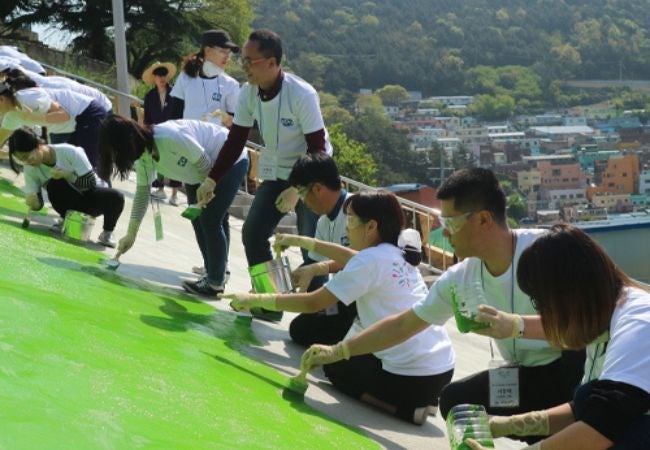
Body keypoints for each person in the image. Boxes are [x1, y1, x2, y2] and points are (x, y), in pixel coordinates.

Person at [299, 168, 585, 441]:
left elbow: (589, 321)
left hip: (575, 372)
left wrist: (516, 326)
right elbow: (403, 324)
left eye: (450, 223)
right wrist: (338, 350)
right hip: (523, 374)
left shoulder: (547, 249)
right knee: (456, 402)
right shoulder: (458, 277)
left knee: (579, 365)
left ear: (484, 219)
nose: (444, 234)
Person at [222, 190, 455, 425]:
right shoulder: (396, 253)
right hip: (441, 370)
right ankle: (424, 399)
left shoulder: (370, 260)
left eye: (351, 220)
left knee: (334, 368)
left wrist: (254, 299)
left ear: (371, 226)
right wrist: (300, 241)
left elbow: (312, 302)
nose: (346, 227)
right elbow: (350, 256)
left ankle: (406, 411)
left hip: (412, 376)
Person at [465, 224, 650, 450]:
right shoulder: (604, 316)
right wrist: (505, 425)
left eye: (540, 301)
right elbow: (582, 409)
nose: (540, 312)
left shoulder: (639, 323)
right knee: (587, 395)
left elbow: (601, 427)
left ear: (568, 295)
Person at [195, 29, 332, 320]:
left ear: (271, 62)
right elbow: (235, 141)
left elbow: (317, 148)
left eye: (249, 61)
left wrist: (299, 188)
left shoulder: (301, 94)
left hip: (313, 174)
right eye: (242, 60)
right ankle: (272, 303)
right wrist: (212, 179)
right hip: (278, 171)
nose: (243, 66)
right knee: (254, 233)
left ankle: (320, 315)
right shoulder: (248, 92)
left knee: (311, 247)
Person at [98, 115, 248, 295]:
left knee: (211, 219)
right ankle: (216, 271)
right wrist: (131, 234)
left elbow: (204, 162)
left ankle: (215, 281)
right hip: (196, 172)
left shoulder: (170, 137)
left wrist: (208, 188)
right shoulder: (144, 156)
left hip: (228, 159)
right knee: (199, 218)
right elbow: (142, 193)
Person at [282, 153, 357, 346]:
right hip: (344, 297)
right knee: (299, 329)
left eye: (301, 194)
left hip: (365, 299)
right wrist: (284, 283)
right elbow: (313, 262)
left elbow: (363, 261)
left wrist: (318, 269)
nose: (303, 201)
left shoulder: (358, 210)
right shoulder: (324, 221)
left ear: (317, 188)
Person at [7, 128, 124, 246]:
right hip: (70, 203)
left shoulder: (69, 152)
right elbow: (38, 204)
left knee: (116, 197)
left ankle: (107, 232)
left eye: (27, 156)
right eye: (21, 159)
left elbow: (90, 183)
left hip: (91, 195)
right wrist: (34, 202)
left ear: (38, 145)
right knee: (54, 185)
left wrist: (67, 175)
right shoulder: (30, 169)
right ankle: (66, 220)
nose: (27, 161)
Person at [0, 77, 109, 170]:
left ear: (1, 99)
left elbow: (63, 115)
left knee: (88, 165)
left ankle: (104, 192)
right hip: (73, 125)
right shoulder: (11, 115)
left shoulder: (28, 98)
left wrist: (32, 117)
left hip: (88, 113)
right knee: (69, 165)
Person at [170, 29, 240, 127]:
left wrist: (226, 118)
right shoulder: (185, 77)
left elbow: (238, 124)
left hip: (217, 140)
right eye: (223, 51)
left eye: (229, 53)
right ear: (208, 51)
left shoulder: (231, 84)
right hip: (188, 137)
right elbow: (174, 113)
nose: (227, 57)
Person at [141, 61, 183, 206]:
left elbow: (180, 113)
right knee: (158, 160)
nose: (161, 78)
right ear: (154, 77)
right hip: (157, 132)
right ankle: (159, 188)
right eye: (158, 75)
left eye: (164, 74)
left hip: (173, 131)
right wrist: (147, 131)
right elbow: (147, 118)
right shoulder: (149, 96)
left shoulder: (176, 94)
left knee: (174, 161)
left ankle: (175, 194)